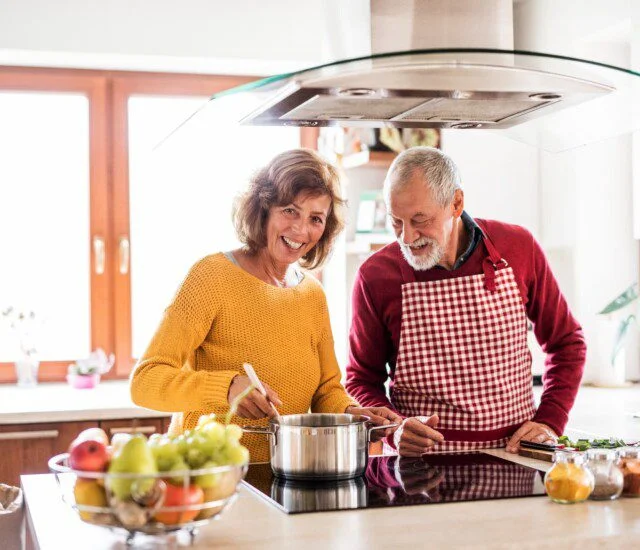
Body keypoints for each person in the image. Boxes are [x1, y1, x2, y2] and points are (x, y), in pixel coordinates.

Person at [131, 149, 400, 463]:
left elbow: (326, 390)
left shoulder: (312, 294)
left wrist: (353, 415)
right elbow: (145, 381)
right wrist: (227, 387)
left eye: (315, 219)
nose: (301, 230)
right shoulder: (211, 276)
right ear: (263, 208)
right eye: (290, 210)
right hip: (208, 474)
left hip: (286, 479)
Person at [345, 146, 586, 457]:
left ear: (456, 203)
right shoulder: (375, 276)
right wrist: (394, 431)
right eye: (396, 222)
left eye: (420, 219)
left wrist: (551, 421)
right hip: (419, 470)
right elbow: (361, 380)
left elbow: (568, 343)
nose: (406, 237)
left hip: (515, 459)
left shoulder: (518, 247)